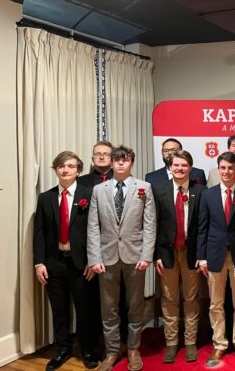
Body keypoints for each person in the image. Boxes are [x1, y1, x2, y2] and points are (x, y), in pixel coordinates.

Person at [87, 146, 156, 371]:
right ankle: (112, 352)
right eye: (116, 160)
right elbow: (93, 226)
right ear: (111, 163)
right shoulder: (99, 190)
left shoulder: (144, 188)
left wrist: (147, 255)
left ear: (131, 163)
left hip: (135, 257)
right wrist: (94, 257)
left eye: (125, 160)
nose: (120, 164)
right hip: (105, 258)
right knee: (109, 308)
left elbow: (150, 224)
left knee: (135, 306)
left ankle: (134, 349)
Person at [33, 151, 99, 370]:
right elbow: (39, 233)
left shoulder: (89, 195)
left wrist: (93, 260)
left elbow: (98, 230)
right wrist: (39, 262)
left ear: (78, 170)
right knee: (59, 310)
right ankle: (62, 350)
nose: (65, 170)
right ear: (56, 170)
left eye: (70, 166)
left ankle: (87, 350)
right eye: (61, 166)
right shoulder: (46, 197)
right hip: (54, 263)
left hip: (82, 264)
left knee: (84, 309)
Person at [197, 152, 235, 367]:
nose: (227, 172)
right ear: (218, 170)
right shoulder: (208, 195)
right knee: (215, 304)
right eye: (223, 168)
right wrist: (201, 257)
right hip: (214, 256)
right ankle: (219, 344)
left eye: (231, 168)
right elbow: (202, 228)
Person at [153, 150, 206, 363]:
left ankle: (190, 341)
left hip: (191, 253)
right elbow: (154, 225)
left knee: (191, 298)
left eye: (184, 165)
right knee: (169, 299)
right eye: (176, 165)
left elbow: (204, 226)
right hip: (166, 253)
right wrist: (156, 254)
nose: (180, 169)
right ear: (170, 167)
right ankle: (172, 343)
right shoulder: (160, 190)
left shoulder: (200, 191)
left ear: (190, 168)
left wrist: (202, 255)